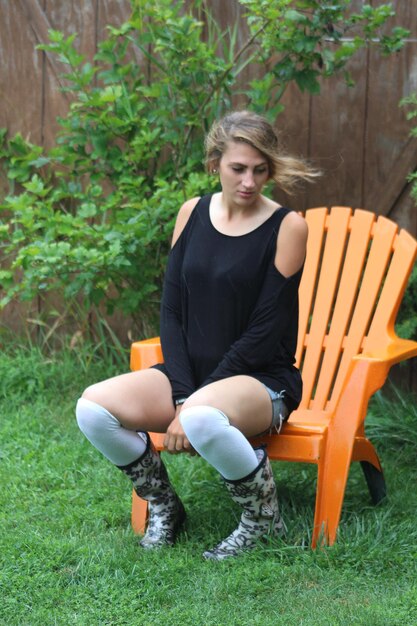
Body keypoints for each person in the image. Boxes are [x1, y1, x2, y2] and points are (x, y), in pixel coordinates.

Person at [76, 110, 319, 560]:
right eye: (238, 168)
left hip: (260, 380)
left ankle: (263, 521)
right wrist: (186, 395)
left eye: (260, 170)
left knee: (206, 416)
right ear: (215, 163)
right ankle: (165, 506)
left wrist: (194, 405)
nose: (249, 181)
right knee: (92, 408)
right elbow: (172, 310)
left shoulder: (288, 227)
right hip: (190, 377)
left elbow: (266, 330)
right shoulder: (191, 212)